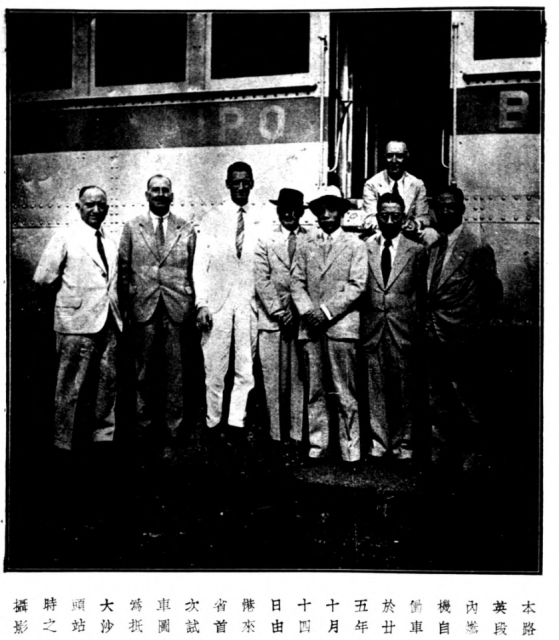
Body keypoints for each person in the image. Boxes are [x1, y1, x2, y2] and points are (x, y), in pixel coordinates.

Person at [34, 185, 122, 452]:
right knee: (69, 387)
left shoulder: (108, 239)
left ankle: (103, 438)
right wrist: (69, 306)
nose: (97, 210)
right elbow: (43, 278)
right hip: (74, 325)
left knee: (107, 384)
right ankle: (63, 442)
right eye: (90, 205)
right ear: (78, 207)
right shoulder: (65, 236)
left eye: (102, 205)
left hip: (108, 322)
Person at [426, 186, 502, 468]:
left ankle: (475, 454)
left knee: (467, 398)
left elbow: (492, 292)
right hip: (433, 334)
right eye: (441, 207)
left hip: (463, 336)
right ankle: (442, 454)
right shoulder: (434, 246)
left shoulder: (476, 246)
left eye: (451, 207)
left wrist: (474, 327)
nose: (446, 212)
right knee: (437, 399)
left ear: (461, 210)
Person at [291, 185, 367, 468]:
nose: (326, 214)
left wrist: (326, 311)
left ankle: (351, 451)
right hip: (311, 327)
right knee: (315, 390)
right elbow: (295, 283)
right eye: (321, 209)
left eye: (332, 208)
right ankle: (317, 446)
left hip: (341, 327)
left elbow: (357, 285)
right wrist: (309, 312)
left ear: (342, 211)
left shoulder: (355, 244)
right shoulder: (305, 244)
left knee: (344, 389)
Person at [118, 175, 197, 447]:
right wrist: (129, 304)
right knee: (144, 372)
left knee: (177, 372)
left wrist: (192, 302)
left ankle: (175, 430)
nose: (161, 195)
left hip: (176, 308)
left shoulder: (185, 227)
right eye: (155, 190)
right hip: (144, 307)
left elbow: (193, 269)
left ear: (172, 195)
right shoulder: (132, 226)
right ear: (147, 194)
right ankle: (144, 428)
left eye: (165, 190)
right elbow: (124, 269)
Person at [193, 161, 267, 447]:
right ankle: (213, 423)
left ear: (251, 183)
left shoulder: (261, 218)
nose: (240, 187)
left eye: (245, 181)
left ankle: (236, 422)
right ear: (227, 184)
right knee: (214, 367)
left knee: (245, 368)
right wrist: (202, 304)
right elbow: (201, 265)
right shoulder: (212, 217)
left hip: (248, 303)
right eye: (235, 182)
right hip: (218, 304)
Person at [361, 191, 428, 463]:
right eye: (384, 215)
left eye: (395, 216)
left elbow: (421, 294)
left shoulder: (417, 251)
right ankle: (379, 442)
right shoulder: (364, 247)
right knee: (374, 386)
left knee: (404, 389)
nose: (389, 220)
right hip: (373, 328)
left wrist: (417, 326)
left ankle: (404, 443)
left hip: (403, 330)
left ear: (404, 218)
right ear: (377, 217)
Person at [254, 188, 308, 456]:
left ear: (301, 212)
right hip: (272, 321)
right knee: (272, 380)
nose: (289, 214)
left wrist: (297, 313)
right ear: (278, 211)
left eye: (294, 209)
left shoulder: (311, 240)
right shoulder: (265, 239)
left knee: (299, 379)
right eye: (284, 209)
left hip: (301, 322)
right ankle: (276, 436)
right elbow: (262, 280)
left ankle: (297, 435)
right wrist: (278, 312)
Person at [362, 140, 437, 244]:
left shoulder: (417, 184)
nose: (394, 160)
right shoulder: (372, 184)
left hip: (408, 233)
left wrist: (415, 224)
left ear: (407, 156)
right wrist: (388, 224)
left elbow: (423, 216)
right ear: (384, 157)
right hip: (381, 231)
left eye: (399, 156)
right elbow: (369, 217)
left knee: (431, 235)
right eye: (389, 156)